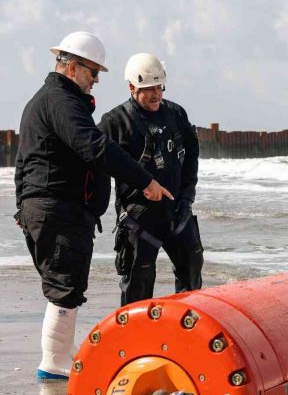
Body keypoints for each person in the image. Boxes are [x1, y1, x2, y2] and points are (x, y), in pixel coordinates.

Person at [15, 31, 174, 380]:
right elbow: (95, 147)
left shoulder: (44, 100)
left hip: (46, 207)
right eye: (93, 72)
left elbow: (22, 160)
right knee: (65, 284)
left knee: (64, 282)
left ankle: (61, 352)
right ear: (72, 68)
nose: (96, 80)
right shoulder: (61, 101)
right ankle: (55, 362)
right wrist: (145, 180)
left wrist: (21, 208)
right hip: (58, 207)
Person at [98, 53, 202, 307]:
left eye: (159, 87)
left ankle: (185, 337)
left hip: (178, 212)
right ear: (132, 87)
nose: (155, 95)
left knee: (192, 275)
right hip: (139, 219)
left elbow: (191, 156)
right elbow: (97, 165)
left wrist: (187, 196)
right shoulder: (113, 122)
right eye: (148, 89)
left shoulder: (176, 114)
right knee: (138, 286)